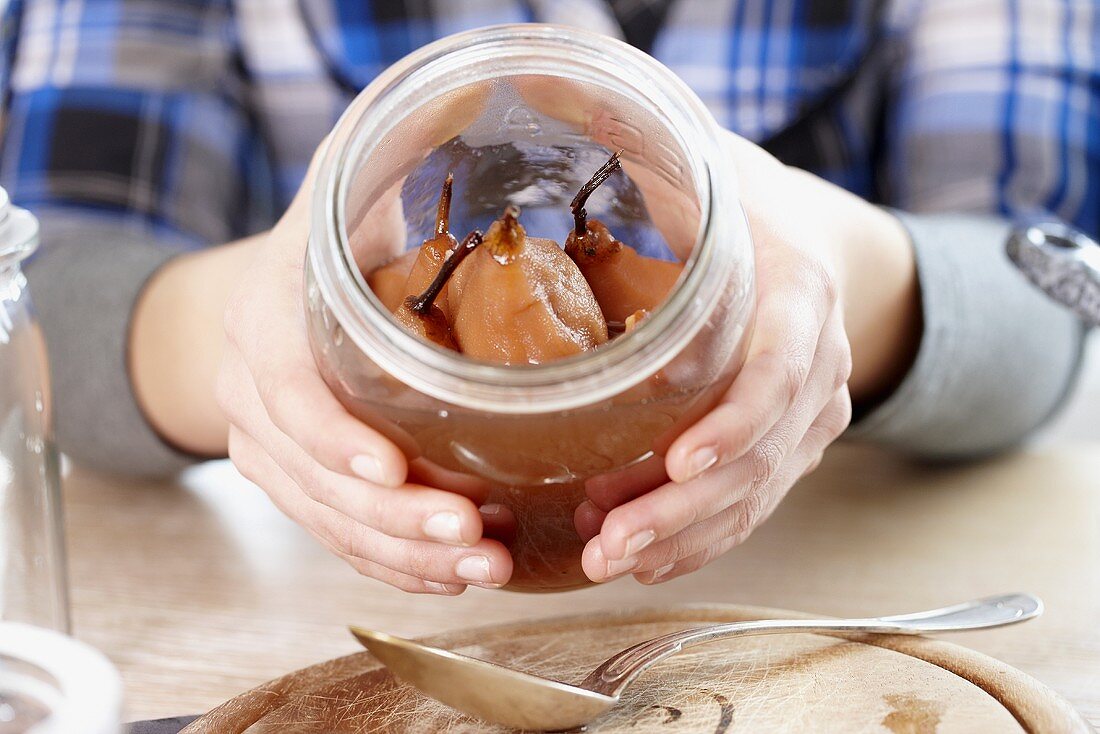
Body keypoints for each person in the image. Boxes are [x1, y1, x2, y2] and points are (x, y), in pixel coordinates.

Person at [0, 0, 1093, 593]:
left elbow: (1054, 299)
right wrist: (255, 347)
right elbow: (36, 287)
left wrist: (842, 274)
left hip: (815, 583)